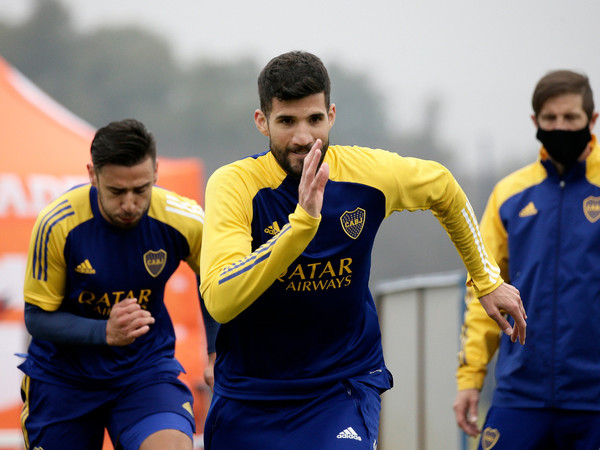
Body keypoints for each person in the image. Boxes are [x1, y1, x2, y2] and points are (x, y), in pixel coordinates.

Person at [199, 50, 527, 450]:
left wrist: (487, 279)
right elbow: (220, 299)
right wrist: (300, 226)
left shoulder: (367, 175)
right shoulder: (234, 185)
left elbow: (443, 188)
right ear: (262, 121)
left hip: (341, 385)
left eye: (314, 119)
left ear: (331, 115)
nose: (303, 137)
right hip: (251, 393)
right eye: (286, 121)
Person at [19, 118, 218, 450]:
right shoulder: (57, 224)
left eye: (141, 190)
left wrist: (215, 351)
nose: (129, 204)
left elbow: (215, 279)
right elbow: (36, 318)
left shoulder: (185, 219)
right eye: (116, 191)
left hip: (144, 371)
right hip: (64, 379)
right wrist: (104, 332)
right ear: (92, 175)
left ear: (155, 172)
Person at [454, 70, 600, 449]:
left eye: (571, 118)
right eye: (550, 119)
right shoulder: (509, 194)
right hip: (520, 394)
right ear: (535, 122)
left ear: (592, 121)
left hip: (594, 398)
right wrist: (471, 378)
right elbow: (481, 292)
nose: (561, 127)